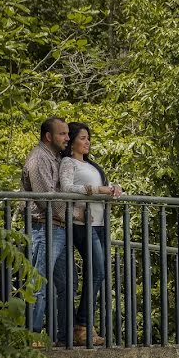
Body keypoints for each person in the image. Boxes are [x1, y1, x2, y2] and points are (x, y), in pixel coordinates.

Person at [59, 122, 123, 346]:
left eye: (88, 138)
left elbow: (99, 188)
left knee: (99, 272)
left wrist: (113, 188)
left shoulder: (91, 165)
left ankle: (85, 326)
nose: (87, 142)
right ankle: (81, 326)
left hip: (100, 223)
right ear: (73, 141)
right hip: (81, 223)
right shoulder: (68, 162)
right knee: (97, 271)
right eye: (83, 138)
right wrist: (98, 190)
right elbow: (66, 188)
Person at [21, 117, 69, 342]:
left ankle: (62, 336)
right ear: (48, 136)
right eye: (62, 134)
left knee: (65, 283)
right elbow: (46, 199)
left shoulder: (55, 158)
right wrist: (74, 215)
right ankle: (33, 336)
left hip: (57, 228)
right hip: (44, 227)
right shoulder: (39, 158)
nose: (67, 138)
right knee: (38, 283)